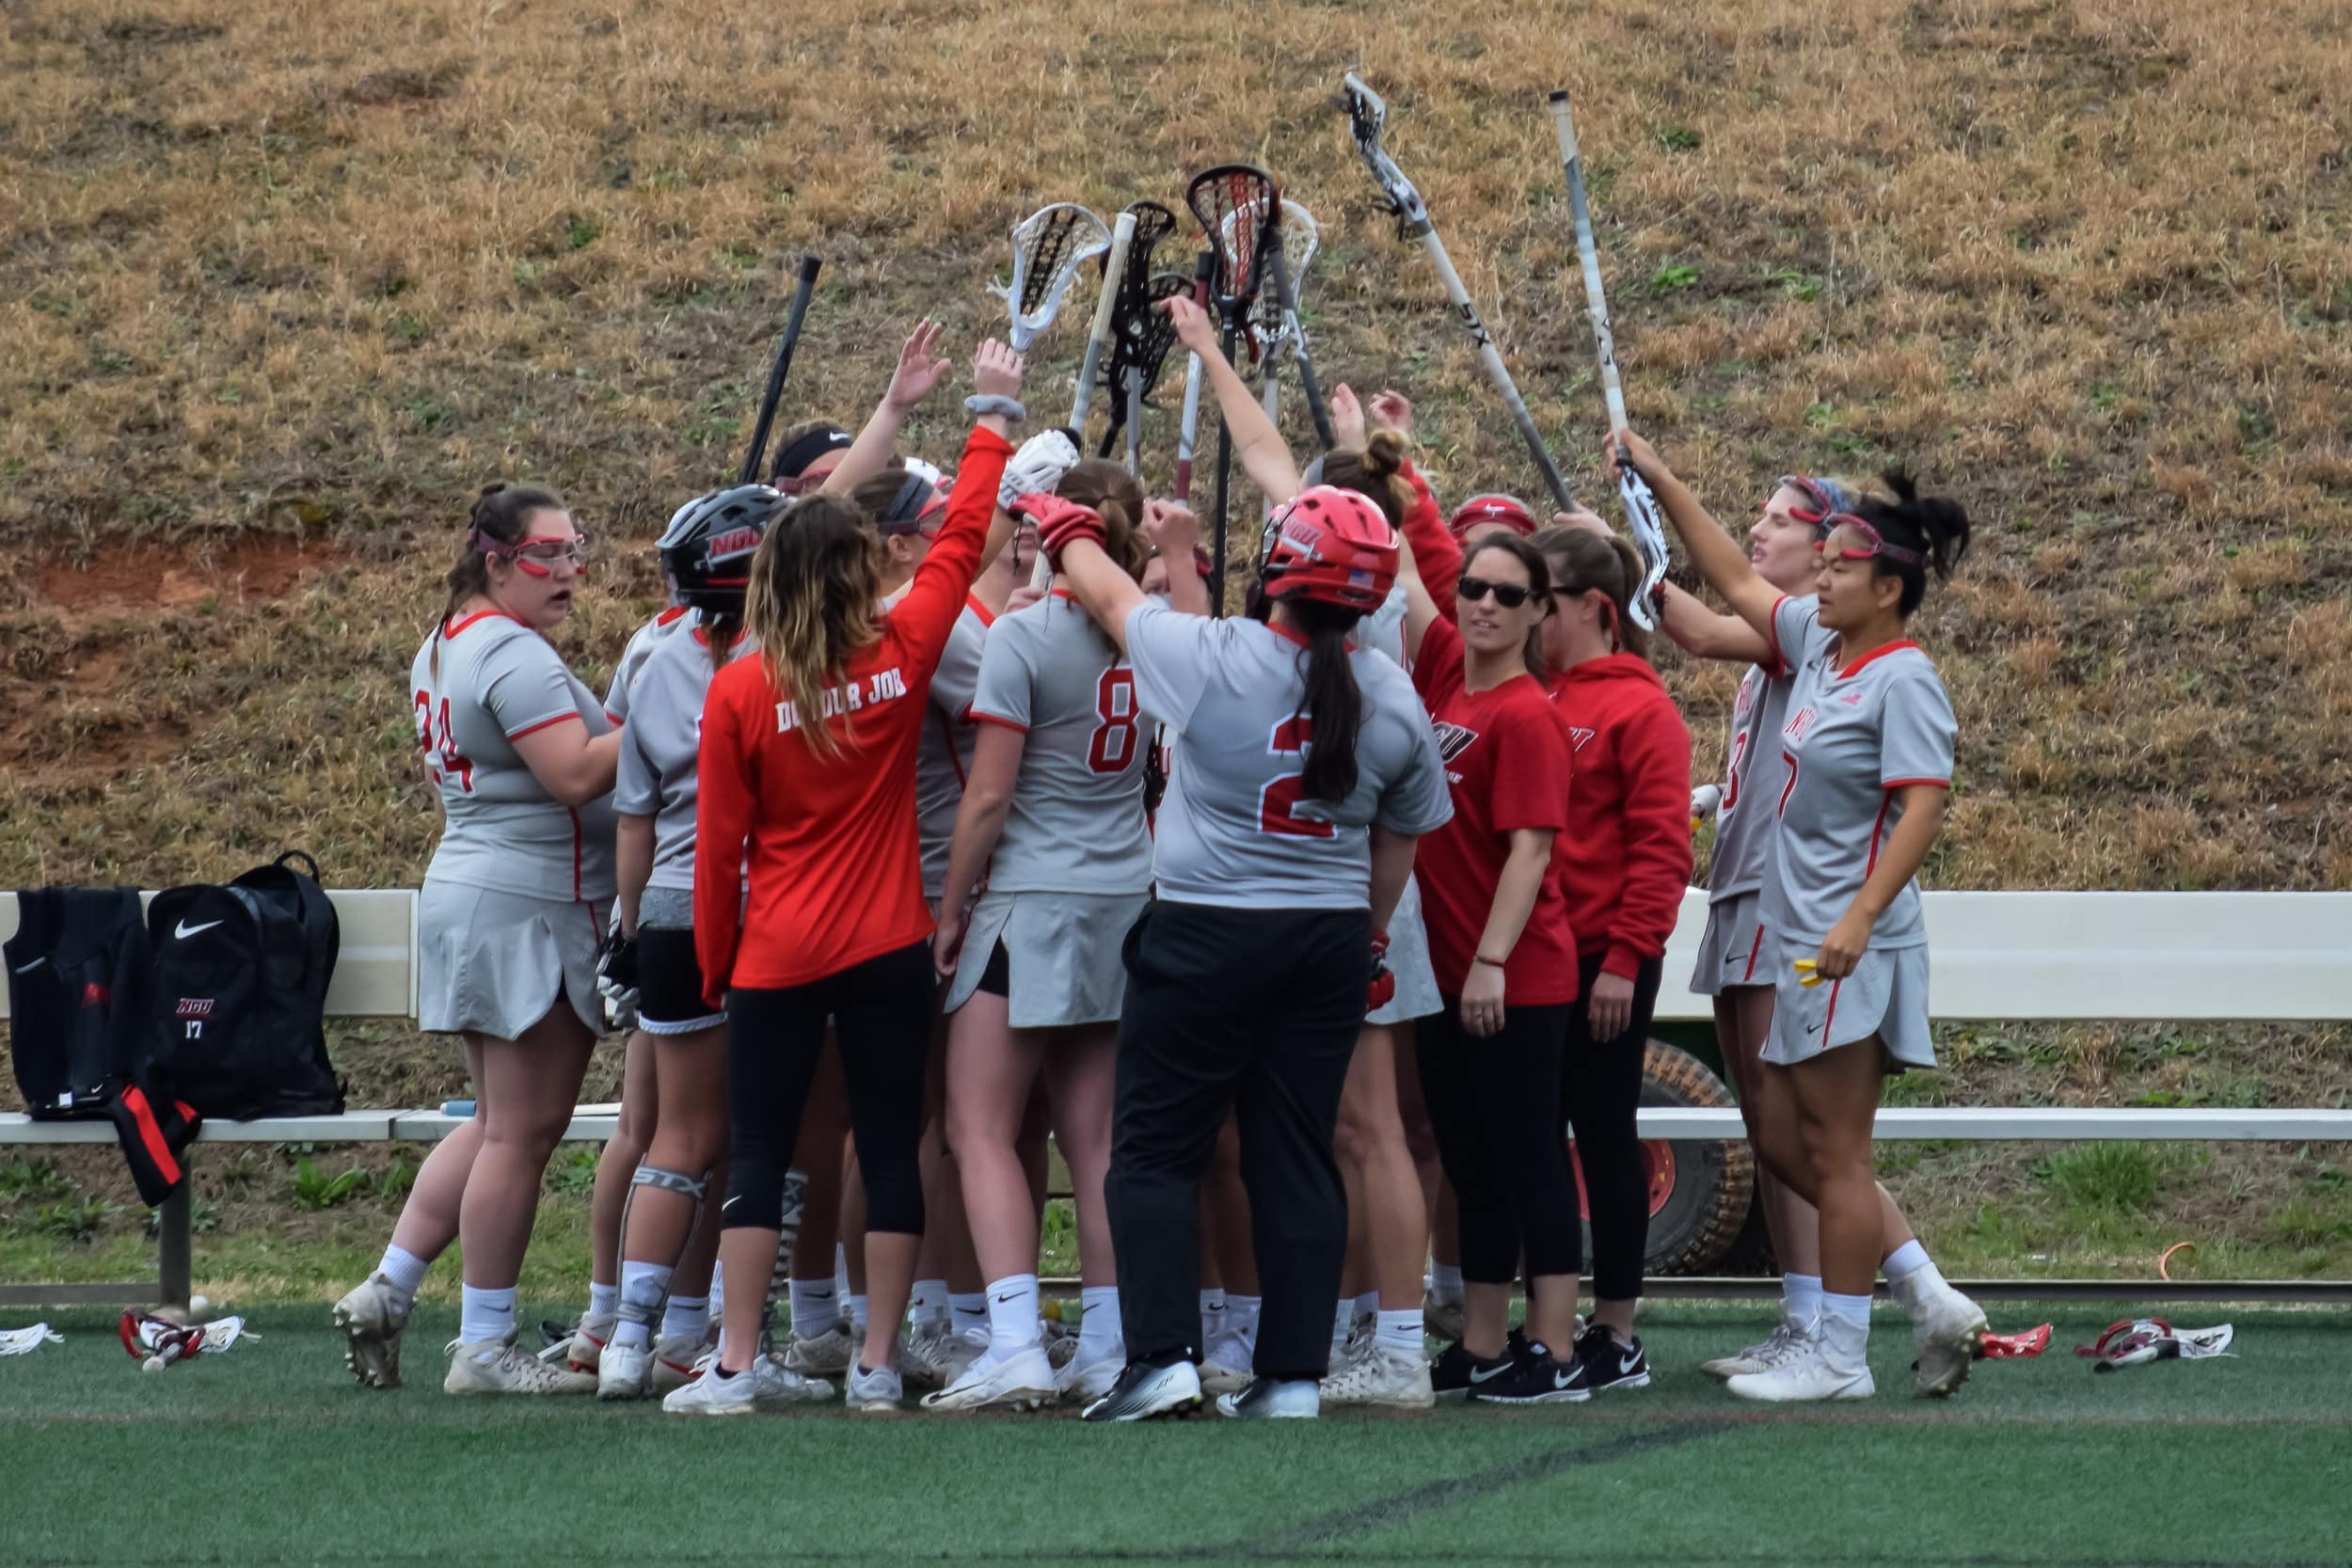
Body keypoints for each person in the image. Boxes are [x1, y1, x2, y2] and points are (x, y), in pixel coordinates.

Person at [1053, 407, 1452, 1419]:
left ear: (1279, 566)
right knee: (1295, 1153)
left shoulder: (1215, 655)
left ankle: (1164, 1358)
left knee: (1153, 1148)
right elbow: (1400, 839)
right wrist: (1365, 933)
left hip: (1205, 928)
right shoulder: (1395, 698)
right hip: (1321, 937)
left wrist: (1063, 523)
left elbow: (1103, 591)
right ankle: (1291, 1377)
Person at [664, 337, 1025, 1417]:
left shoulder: (736, 687)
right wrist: (988, 420)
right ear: (867, 568)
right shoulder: (901, 646)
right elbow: (963, 536)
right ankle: (875, 1362)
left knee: (761, 1154)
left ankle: (734, 1363)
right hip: (888, 946)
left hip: (773, 951)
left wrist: (718, 966)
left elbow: (719, 847)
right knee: (889, 1141)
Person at [1612, 430, 1988, 1402]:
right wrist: (1657, 478)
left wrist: (1862, 914)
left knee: (1830, 1148)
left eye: (1839, 564)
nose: (1819, 575)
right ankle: (1921, 1299)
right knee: (1781, 1139)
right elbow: (1731, 578)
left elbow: (1922, 806)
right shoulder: (1821, 646)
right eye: (1818, 562)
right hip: (1798, 938)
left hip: (1843, 941)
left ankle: (1841, 1352)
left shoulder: (1904, 676)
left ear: (1890, 586)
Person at [337, 483, 617, 1395]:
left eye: (577, 550)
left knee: (497, 1121)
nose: (570, 570)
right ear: (496, 559)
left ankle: (391, 1284)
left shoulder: (447, 638)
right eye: (549, 554)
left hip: (474, 881)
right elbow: (575, 773)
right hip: (526, 900)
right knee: (521, 1135)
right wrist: (669, 717)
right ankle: (484, 1343)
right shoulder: (511, 651)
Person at [922, 463, 1158, 1413]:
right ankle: (1105, 1344)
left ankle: (1015, 1336)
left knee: (976, 1123)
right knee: (1096, 1137)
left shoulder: (1022, 634)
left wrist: (950, 910)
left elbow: (988, 792)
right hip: (1124, 891)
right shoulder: (1156, 627)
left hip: (1030, 896)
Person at [593, 483, 829, 1406]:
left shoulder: (654, 655)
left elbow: (633, 817)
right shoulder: (790, 665)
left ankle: (628, 1341)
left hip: (664, 912)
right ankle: (738, 1340)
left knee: (680, 1133)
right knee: (766, 1137)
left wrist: (627, 925)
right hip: (763, 910)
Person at [1650, 474, 1856, 1379]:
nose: (1758, 529)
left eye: (1779, 520)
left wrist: (1634, 548)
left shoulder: (1813, 632)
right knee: (1761, 1119)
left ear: (1826, 549)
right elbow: (1700, 633)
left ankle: (1853, 1308)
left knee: (1788, 1122)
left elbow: (1700, 617)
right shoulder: (1779, 641)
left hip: (1783, 899)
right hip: (1742, 889)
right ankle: (1804, 1311)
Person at [1390, 525, 1591, 1404]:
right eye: (1476, 586)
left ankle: (1553, 1348)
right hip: (1443, 972)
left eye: (1510, 595)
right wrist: (1384, 475)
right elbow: (1405, 572)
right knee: (1469, 1163)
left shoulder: (1529, 711)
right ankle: (1479, 1342)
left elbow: (1531, 852)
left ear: (1541, 611)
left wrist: (1490, 962)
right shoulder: (1447, 681)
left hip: (1516, 975)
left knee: (1527, 1157)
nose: (1484, 604)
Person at [1526, 523, 1694, 1392]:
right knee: (1535, 1138)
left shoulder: (1640, 708)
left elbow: (1663, 851)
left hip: (1603, 959)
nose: (1521, 615)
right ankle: (1545, 1322)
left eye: (1539, 600)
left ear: (1593, 608)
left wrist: (1626, 960)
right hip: (1538, 958)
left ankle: (1617, 1332)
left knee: (1603, 1133)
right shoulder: (1535, 694)